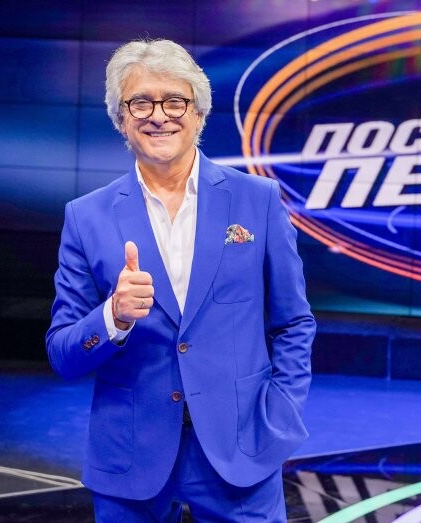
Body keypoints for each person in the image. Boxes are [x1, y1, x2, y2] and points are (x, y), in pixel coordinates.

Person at [45, 39, 315, 522]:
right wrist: (113, 317)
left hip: (241, 450)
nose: (159, 116)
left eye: (175, 101)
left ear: (199, 113)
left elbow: (293, 322)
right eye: (140, 103)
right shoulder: (86, 217)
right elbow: (63, 353)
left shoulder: (257, 200)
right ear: (120, 118)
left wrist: (281, 414)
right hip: (129, 457)